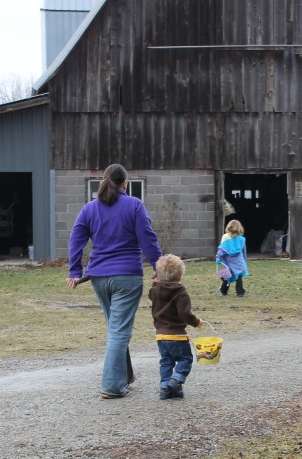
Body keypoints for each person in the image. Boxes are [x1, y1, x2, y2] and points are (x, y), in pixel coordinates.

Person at [67, 164, 162, 399]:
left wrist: (74, 269)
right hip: (126, 278)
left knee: (115, 328)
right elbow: (147, 238)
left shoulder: (89, 208)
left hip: (98, 278)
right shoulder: (134, 205)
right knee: (119, 330)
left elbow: (76, 237)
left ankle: (125, 376)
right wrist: (159, 267)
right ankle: (112, 385)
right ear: (125, 183)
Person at [148, 254, 202, 400]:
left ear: (158, 275)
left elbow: (152, 291)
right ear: (179, 276)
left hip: (160, 336)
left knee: (166, 362)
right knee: (185, 359)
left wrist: (155, 281)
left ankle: (165, 388)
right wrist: (197, 322)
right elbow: (185, 314)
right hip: (177, 335)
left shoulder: (155, 290)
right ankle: (176, 380)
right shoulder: (180, 292)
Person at [216, 219, 249, 297]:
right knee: (239, 276)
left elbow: (222, 249)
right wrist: (244, 260)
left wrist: (218, 258)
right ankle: (240, 292)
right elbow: (243, 251)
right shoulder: (241, 239)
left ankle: (223, 290)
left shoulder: (225, 237)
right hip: (239, 261)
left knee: (228, 276)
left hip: (229, 261)